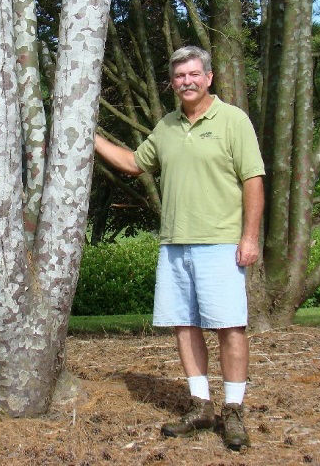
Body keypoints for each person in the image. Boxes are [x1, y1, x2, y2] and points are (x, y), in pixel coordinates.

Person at [94, 46, 264, 450]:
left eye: (193, 74)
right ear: (172, 83)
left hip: (221, 243)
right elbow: (135, 162)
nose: (186, 82)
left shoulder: (233, 121)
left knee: (229, 327)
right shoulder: (167, 125)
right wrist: (92, 138)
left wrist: (250, 237)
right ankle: (201, 404)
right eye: (179, 76)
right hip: (174, 244)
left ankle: (234, 411)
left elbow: (253, 179)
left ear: (208, 78)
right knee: (184, 325)